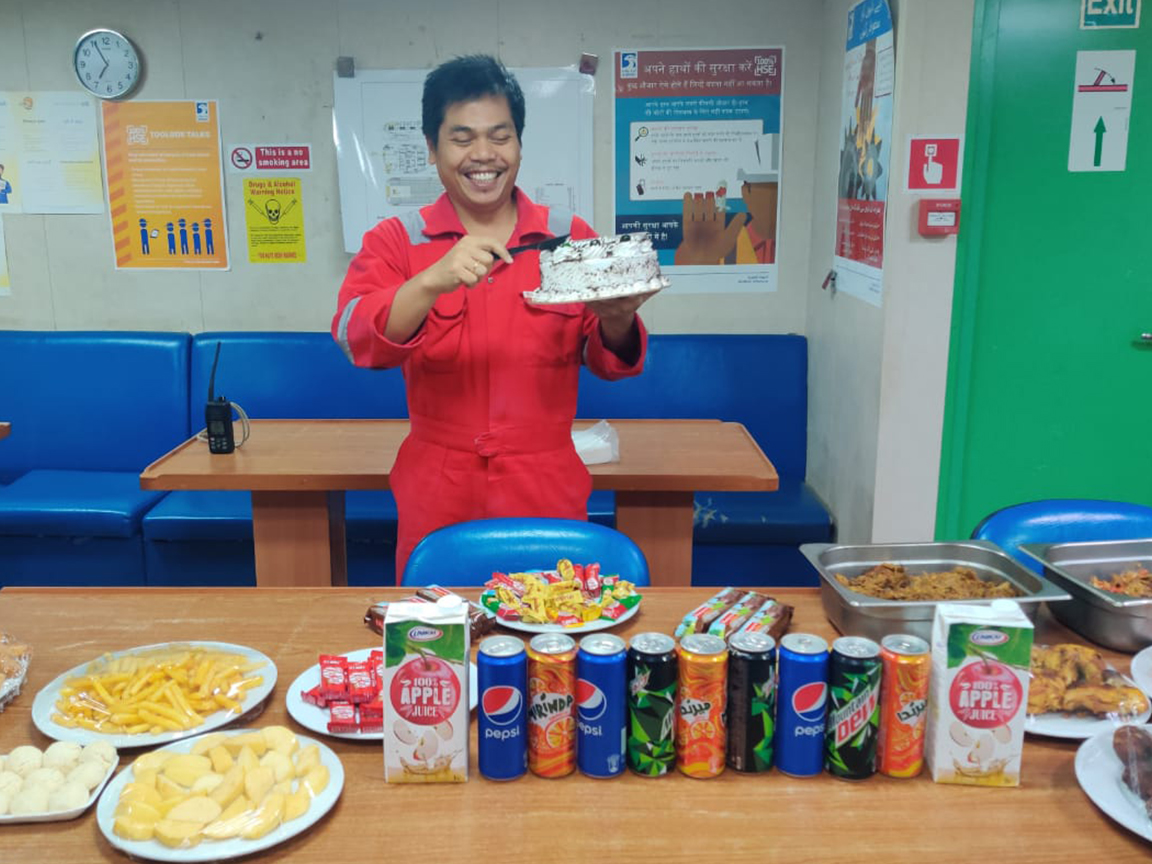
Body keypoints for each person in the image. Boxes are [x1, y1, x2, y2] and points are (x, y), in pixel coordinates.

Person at [332, 54, 652, 583]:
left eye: (500, 137)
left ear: (519, 145)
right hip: (438, 489)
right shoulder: (397, 239)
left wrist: (617, 320)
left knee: (552, 623)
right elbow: (356, 335)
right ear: (432, 148)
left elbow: (606, 356)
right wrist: (431, 281)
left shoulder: (567, 236)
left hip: (545, 484)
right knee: (437, 629)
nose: (483, 154)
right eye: (462, 138)